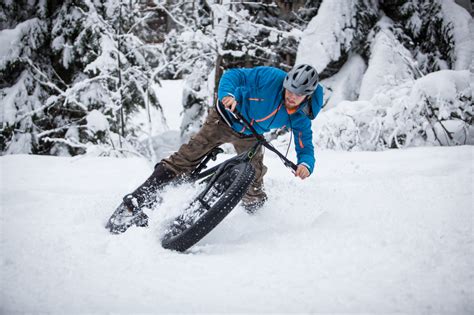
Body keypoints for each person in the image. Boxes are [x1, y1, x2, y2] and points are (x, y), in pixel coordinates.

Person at [122, 64, 323, 216]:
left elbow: (304, 143)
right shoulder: (270, 77)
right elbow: (234, 75)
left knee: (254, 179)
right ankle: (141, 195)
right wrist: (227, 95)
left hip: (250, 135)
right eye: (289, 90)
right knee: (188, 155)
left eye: (298, 95)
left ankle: (256, 221)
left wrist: (306, 163)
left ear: (307, 96)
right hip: (225, 118)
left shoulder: (302, 115)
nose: (291, 96)